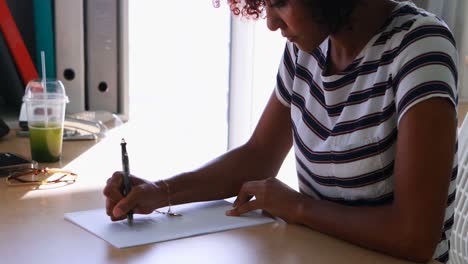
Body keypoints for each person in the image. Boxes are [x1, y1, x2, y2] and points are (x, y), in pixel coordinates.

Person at [104, 0, 458, 263]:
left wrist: (298, 208)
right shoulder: (307, 49)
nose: (271, 22)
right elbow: (258, 156)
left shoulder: (419, 47)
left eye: (280, 3)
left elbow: (414, 237)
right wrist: (159, 192)